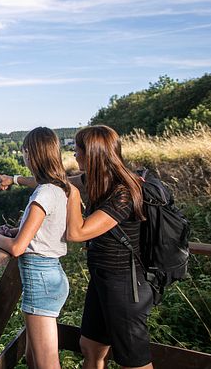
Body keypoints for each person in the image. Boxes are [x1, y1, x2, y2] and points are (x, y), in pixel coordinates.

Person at [0, 127, 71, 369]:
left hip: (40, 278)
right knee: (34, 359)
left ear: (31, 154)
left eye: (25, 152)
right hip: (51, 275)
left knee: (45, 365)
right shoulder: (60, 188)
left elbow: (18, 248)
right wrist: (13, 230)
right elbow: (40, 232)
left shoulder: (43, 193)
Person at [64, 125, 154, 369]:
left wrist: (72, 195)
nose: (74, 155)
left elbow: (77, 233)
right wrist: (16, 179)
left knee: (133, 361)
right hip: (102, 280)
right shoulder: (99, 181)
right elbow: (58, 182)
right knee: (90, 347)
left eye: (77, 150)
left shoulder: (123, 192)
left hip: (125, 285)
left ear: (92, 154)